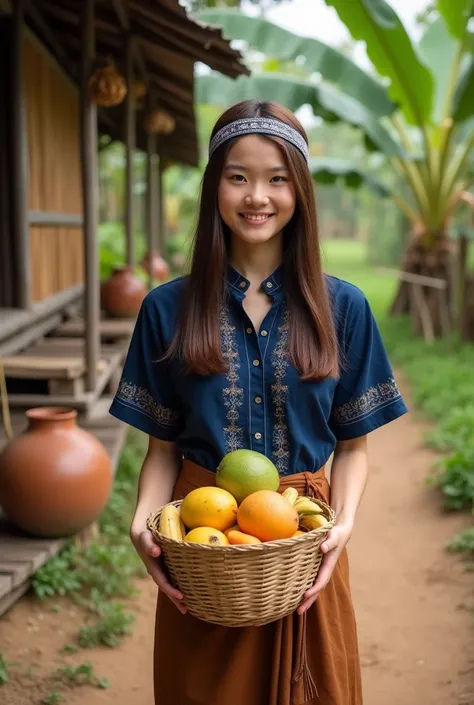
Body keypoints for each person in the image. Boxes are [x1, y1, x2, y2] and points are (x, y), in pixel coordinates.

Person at [109, 99, 408, 705]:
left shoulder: (343, 308)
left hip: (302, 550)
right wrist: (144, 524)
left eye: (277, 179)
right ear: (214, 186)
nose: (257, 197)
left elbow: (354, 446)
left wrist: (342, 525)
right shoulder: (166, 309)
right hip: (203, 547)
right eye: (238, 176)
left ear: (299, 191)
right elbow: (162, 451)